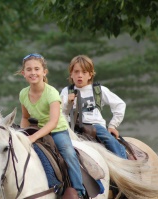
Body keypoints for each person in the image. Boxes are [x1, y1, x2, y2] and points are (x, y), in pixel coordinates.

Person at [16, 53, 86, 198]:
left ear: (44, 72)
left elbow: (53, 122)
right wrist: (23, 133)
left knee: (68, 153)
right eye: (29, 70)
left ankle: (79, 191)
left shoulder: (51, 93)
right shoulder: (23, 94)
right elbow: (25, 117)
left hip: (57, 130)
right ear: (23, 73)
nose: (33, 72)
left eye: (37, 69)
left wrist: (33, 137)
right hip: (36, 129)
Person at [60, 55, 127, 159]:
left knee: (109, 140)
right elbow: (61, 113)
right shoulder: (66, 91)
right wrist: (67, 102)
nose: (80, 75)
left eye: (84, 72)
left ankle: (124, 164)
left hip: (94, 126)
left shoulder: (98, 90)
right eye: (76, 72)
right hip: (71, 126)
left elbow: (119, 104)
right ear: (71, 74)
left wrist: (112, 125)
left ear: (90, 75)